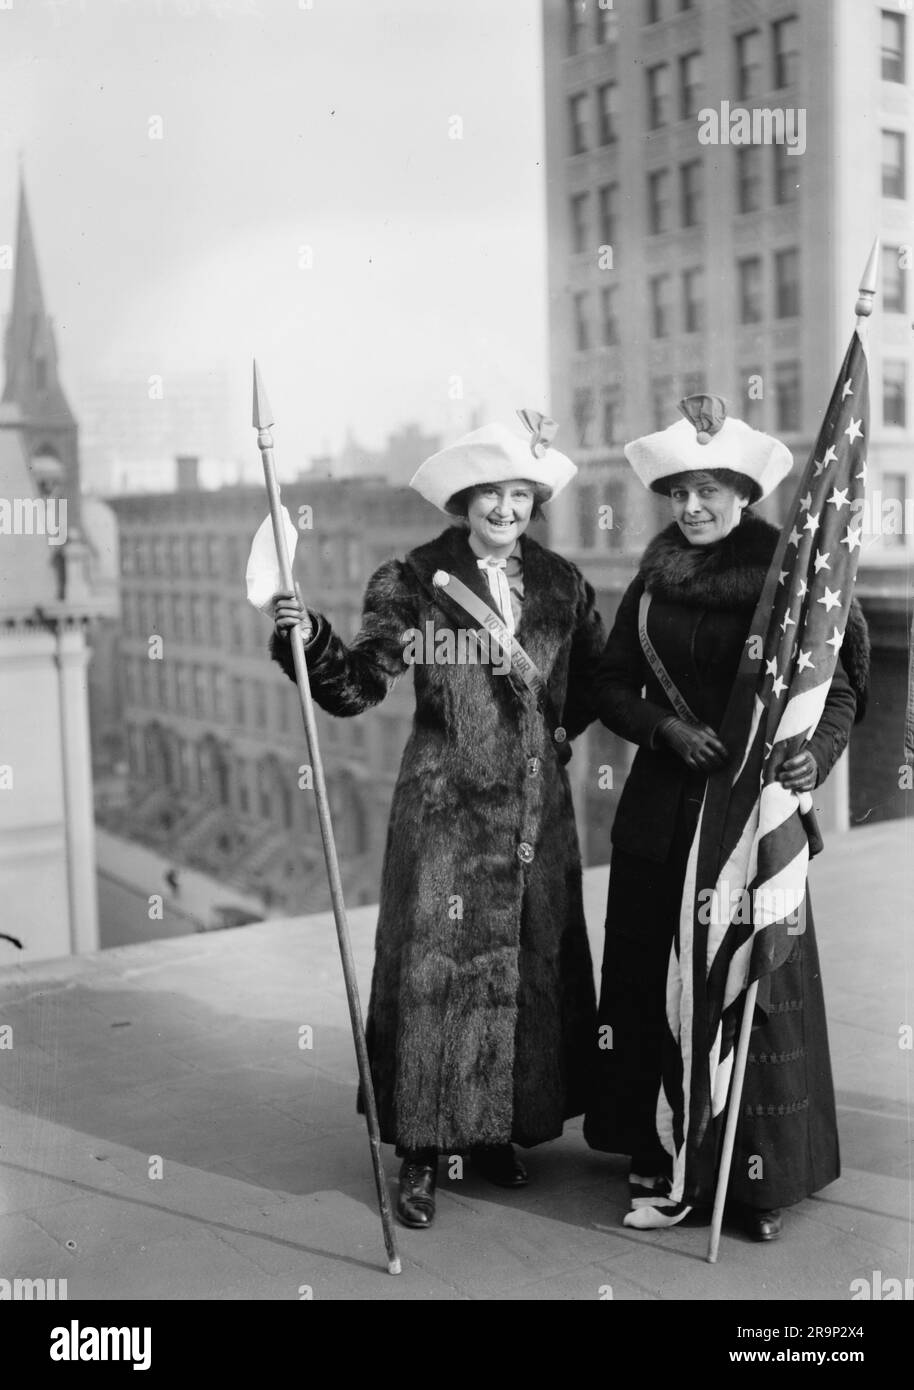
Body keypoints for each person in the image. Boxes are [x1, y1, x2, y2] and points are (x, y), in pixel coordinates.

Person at [270, 414, 606, 1230]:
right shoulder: (413, 580)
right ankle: (420, 1154)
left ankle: (497, 1132)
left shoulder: (564, 583)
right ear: (464, 499)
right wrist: (308, 639)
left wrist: (557, 735)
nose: (504, 506)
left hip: (534, 817)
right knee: (436, 979)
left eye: (519, 492)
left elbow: (596, 680)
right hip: (446, 816)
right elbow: (358, 686)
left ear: (535, 499)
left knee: (525, 970)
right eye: (489, 492)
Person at [583, 394, 870, 1242]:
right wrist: (663, 728)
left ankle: (758, 1175)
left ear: (745, 493)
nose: (693, 507)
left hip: (751, 824)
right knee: (650, 980)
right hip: (663, 816)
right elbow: (607, 686)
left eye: (711, 490)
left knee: (751, 987)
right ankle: (655, 1143)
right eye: (679, 493)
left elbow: (841, 688)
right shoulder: (649, 581)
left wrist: (814, 758)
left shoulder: (795, 578)